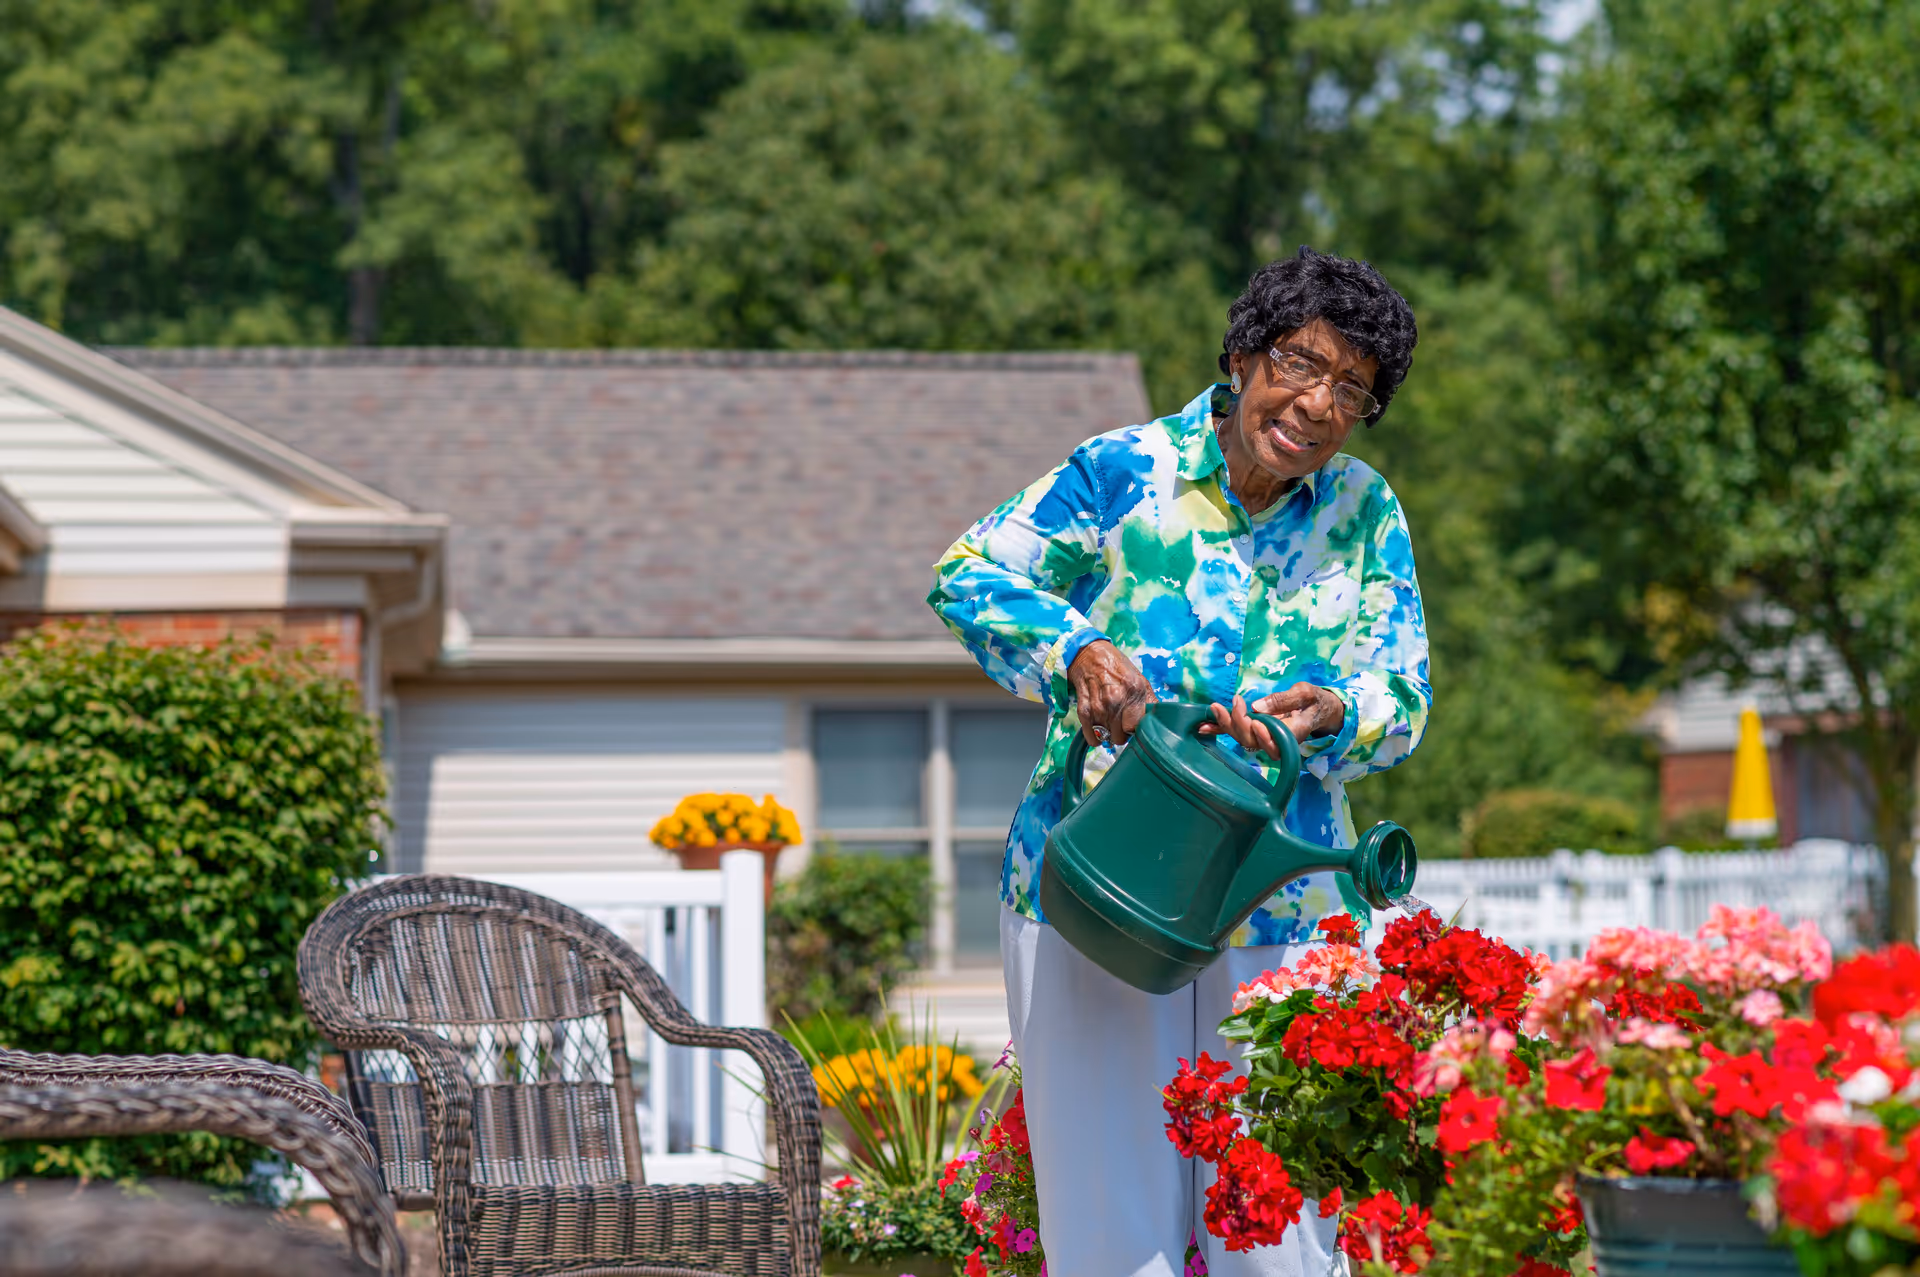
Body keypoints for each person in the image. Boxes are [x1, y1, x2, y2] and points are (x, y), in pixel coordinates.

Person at [927, 246, 1431, 1277]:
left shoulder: (1363, 511)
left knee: (1283, 1236)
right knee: (1114, 1233)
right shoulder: (1120, 470)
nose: (1319, 404)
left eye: (1353, 390)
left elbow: (1407, 695)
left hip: (1283, 911)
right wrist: (1075, 651)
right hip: (1105, 892)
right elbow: (968, 570)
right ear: (1245, 353)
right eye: (1302, 363)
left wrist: (1339, 709)